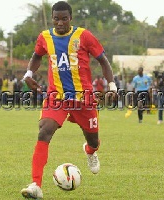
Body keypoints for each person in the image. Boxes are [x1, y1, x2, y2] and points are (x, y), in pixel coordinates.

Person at [20, 1, 117, 199]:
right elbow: (37, 55)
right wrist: (28, 74)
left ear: (70, 18)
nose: (60, 22)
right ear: (52, 18)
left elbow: (103, 61)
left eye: (64, 18)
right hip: (57, 96)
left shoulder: (83, 36)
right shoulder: (45, 37)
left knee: (93, 139)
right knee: (44, 130)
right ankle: (36, 185)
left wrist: (112, 85)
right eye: (56, 18)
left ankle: (90, 151)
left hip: (84, 98)